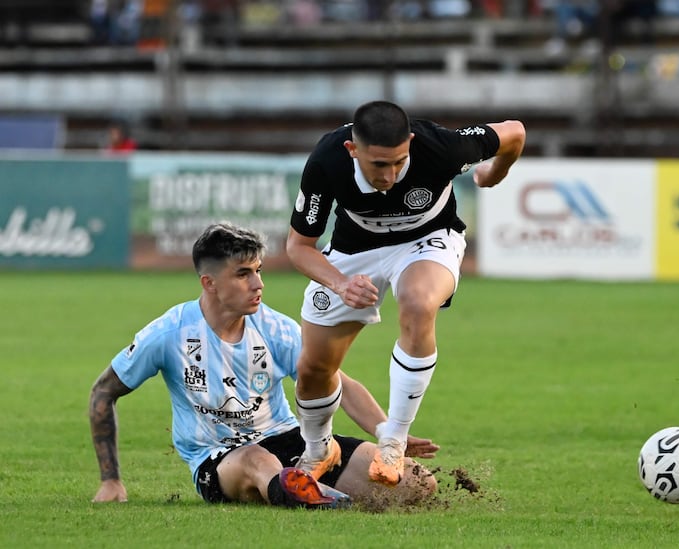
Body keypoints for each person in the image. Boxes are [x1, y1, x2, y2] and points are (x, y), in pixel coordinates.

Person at [89, 222, 438, 508]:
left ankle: (303, 490)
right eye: (243, 274)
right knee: (257, 460)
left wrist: (387, 435)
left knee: (417, 483)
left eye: (258, 271)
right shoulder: (170, 333)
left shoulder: (276, 328)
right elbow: (102, 393)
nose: (259, 284)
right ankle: (315, 497)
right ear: (209, 283)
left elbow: (339, 384)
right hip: (219, 458)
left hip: (290, 441)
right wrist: (111, 481)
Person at [286, 100, 526, 486]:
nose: (391, 174)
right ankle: (317, 448)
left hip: (428, 239)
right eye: (379, 164)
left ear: (411, 143)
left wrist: (494, 173)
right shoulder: (327, 159)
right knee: (314, 368)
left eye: (399, 161)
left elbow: (514, 130)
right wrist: (341, 283)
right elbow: (298, 246)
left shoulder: (441, 148)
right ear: (353, 150)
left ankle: (393, 444)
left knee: (417, 303)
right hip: (354, 251)